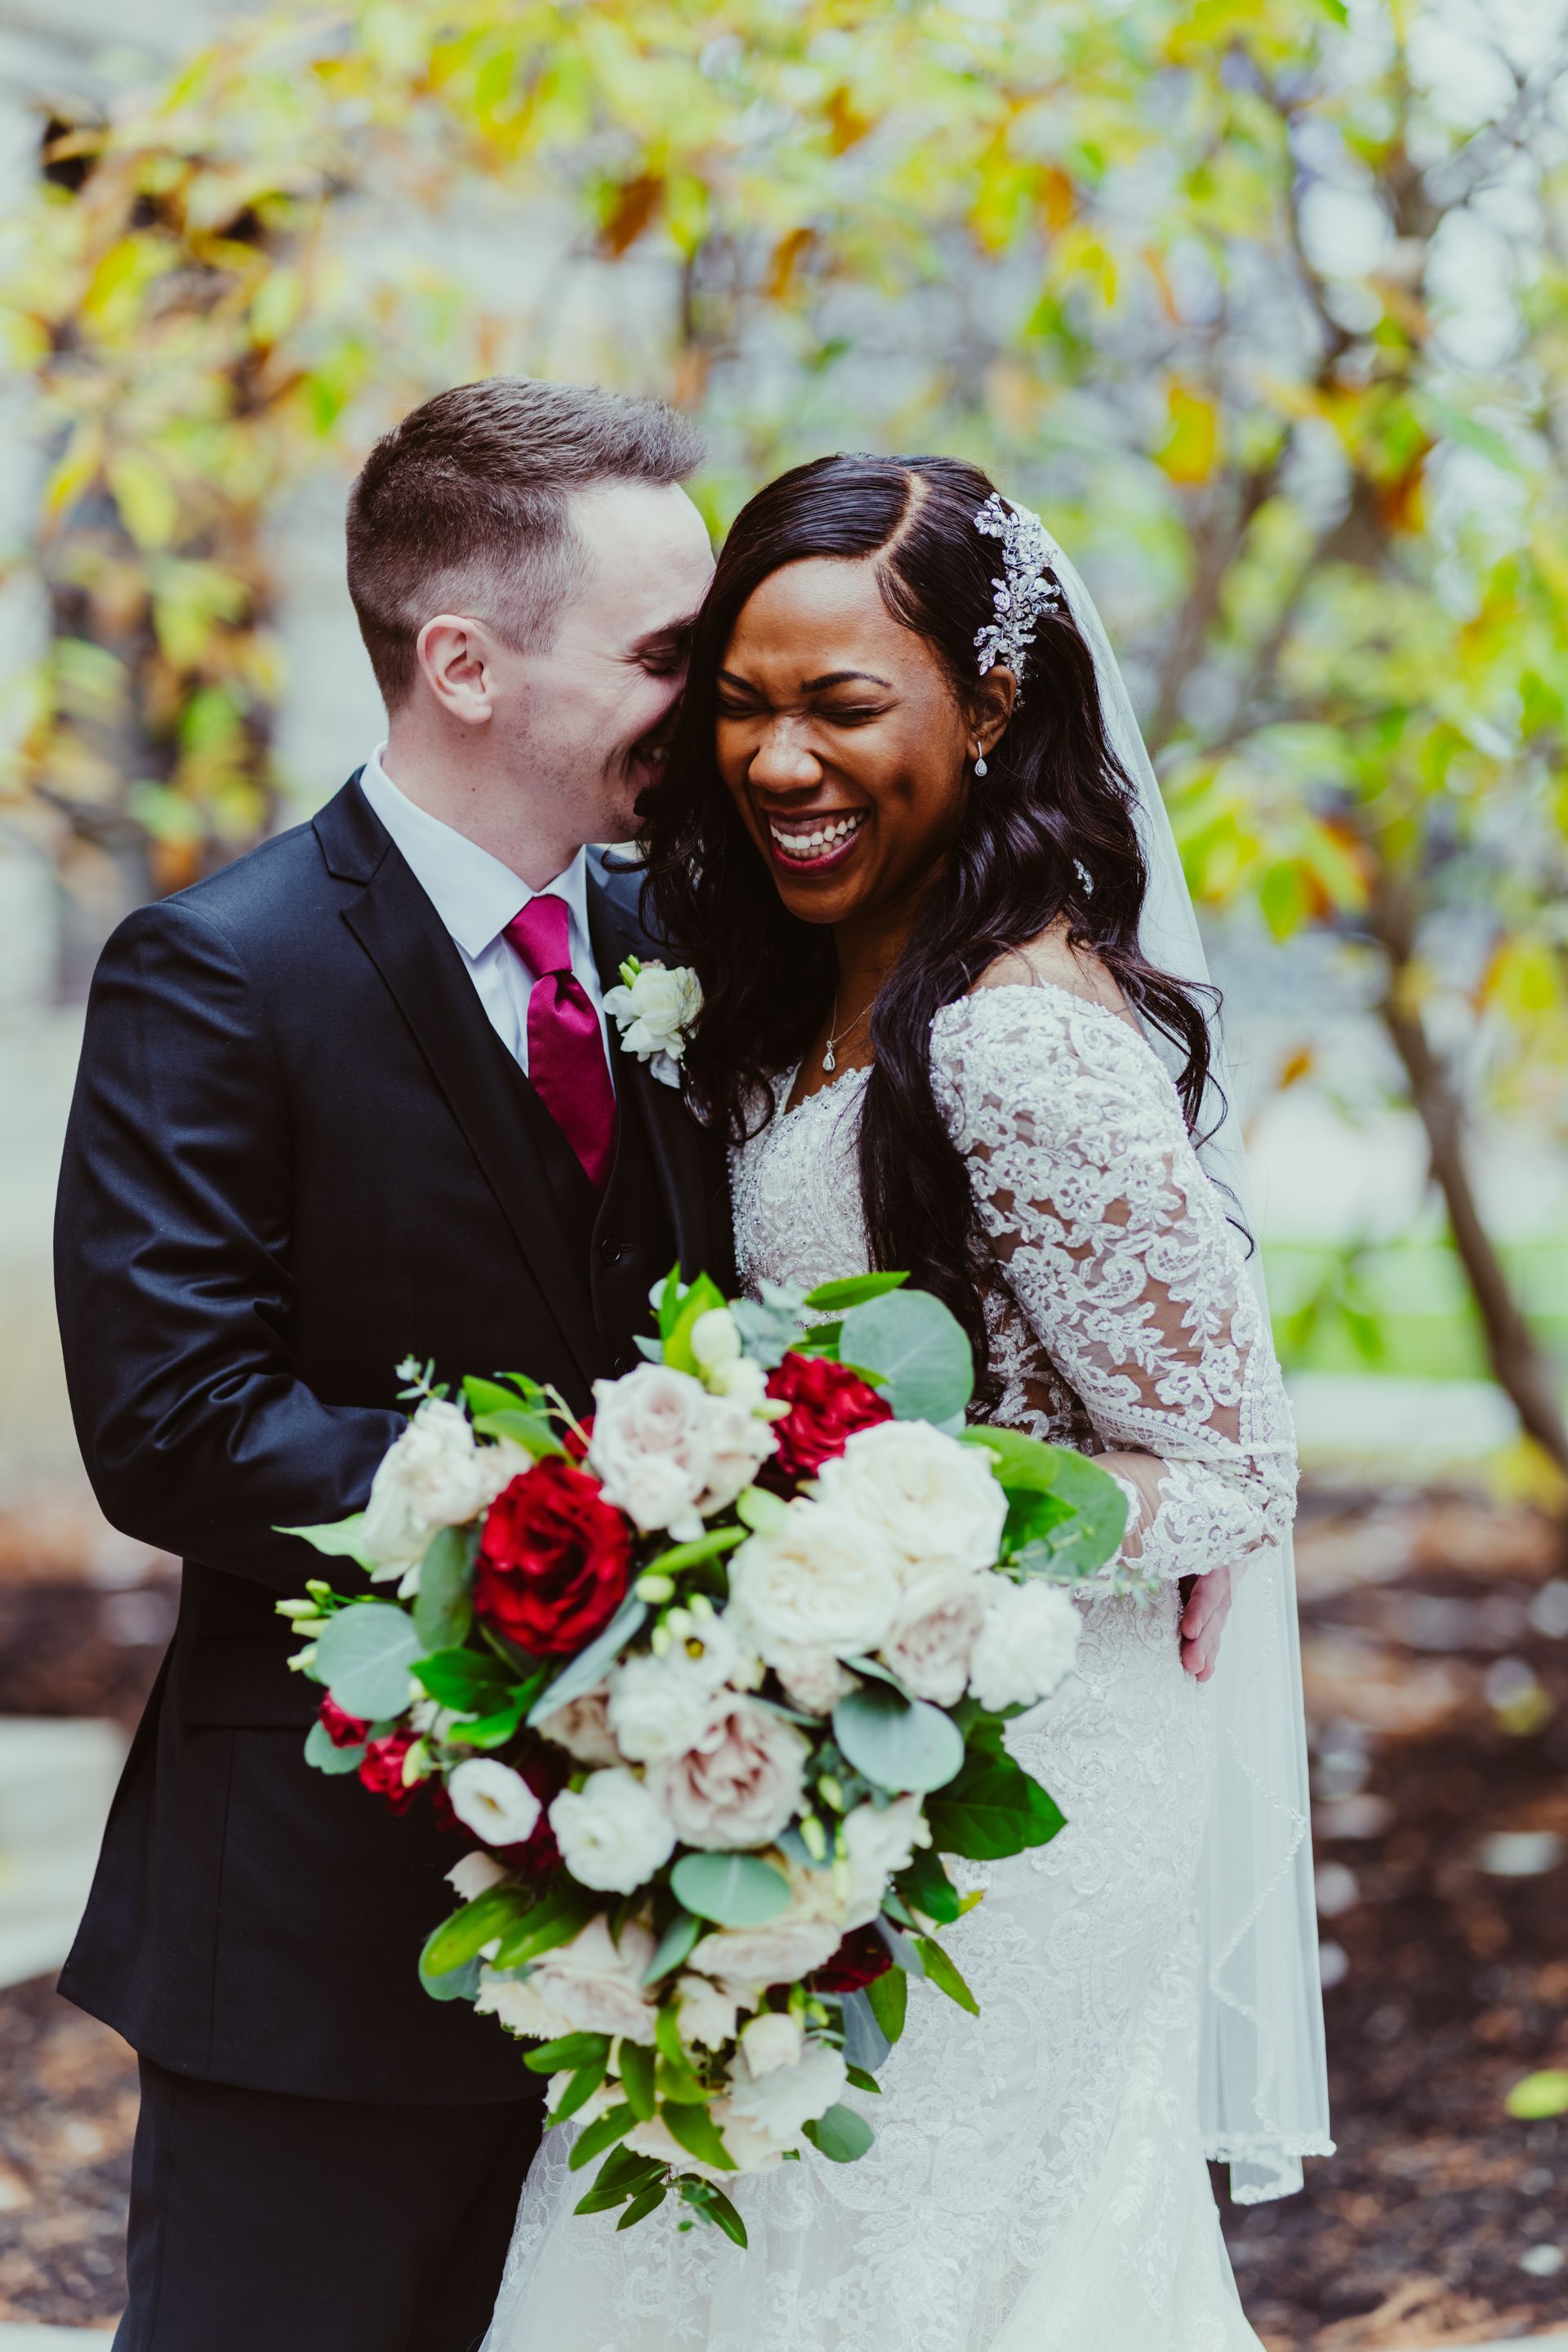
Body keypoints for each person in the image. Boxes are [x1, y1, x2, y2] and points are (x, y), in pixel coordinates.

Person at [480, 455, 1330, 2351]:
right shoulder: (799, 976)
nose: (782, 762)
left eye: (846, 706)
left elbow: (1233, 1466)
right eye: (743, 705)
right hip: (826, 1718)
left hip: (1024, 1781)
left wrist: (911, 1516)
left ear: (993, 706)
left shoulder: (1023, 1039)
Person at [52, 376, 725, 2352]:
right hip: (327, 1916)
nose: (721, 702)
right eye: (670, 655)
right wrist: (598, 1519)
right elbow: (177, 1423)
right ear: (464, 663)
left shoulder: (687, 943)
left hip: (661, 1906)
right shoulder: (222, 968)